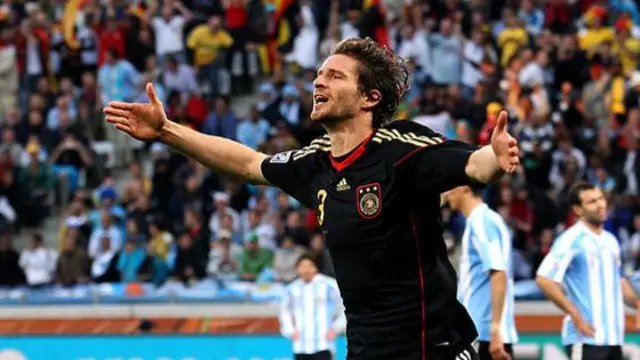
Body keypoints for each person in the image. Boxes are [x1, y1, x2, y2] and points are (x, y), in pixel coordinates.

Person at [104, 37, 520, 359]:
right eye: (320, 73)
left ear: (369, 98)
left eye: (336, 75)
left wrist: (496, 157)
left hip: (436, 348)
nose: (319, 81)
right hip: (365, 350)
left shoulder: (400, 149)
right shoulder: (314, 163)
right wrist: (167, 132)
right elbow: (250, 164)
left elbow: (472, 166)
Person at [536, 182, 640, 360]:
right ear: (577, 210)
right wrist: (575, 314)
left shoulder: (610, 240)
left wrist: (638, 305)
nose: (600, 204)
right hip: (585, 339)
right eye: (592, 201)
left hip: (613, 339)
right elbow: (544, 279)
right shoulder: (571, 239)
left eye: (601, 199)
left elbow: (619, 281)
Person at [443, 186, 518, 360]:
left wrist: (495, 331)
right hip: (483, 331)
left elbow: (498, 272)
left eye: (451, 187)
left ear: (465, 189)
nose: (447, 195)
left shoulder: (482, 221)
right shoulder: (482, 220)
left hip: (484, 333)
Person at [280, 253, 346, 360]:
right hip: (301, 344)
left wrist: (336, 328)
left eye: (309, 266)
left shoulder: (329, 285)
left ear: (315, 267)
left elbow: (342, 308)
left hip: (323, 343)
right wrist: (290, 330)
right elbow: (285, 311)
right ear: (297, 269)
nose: (306, 270)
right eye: (302, 267)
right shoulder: (292, 288)